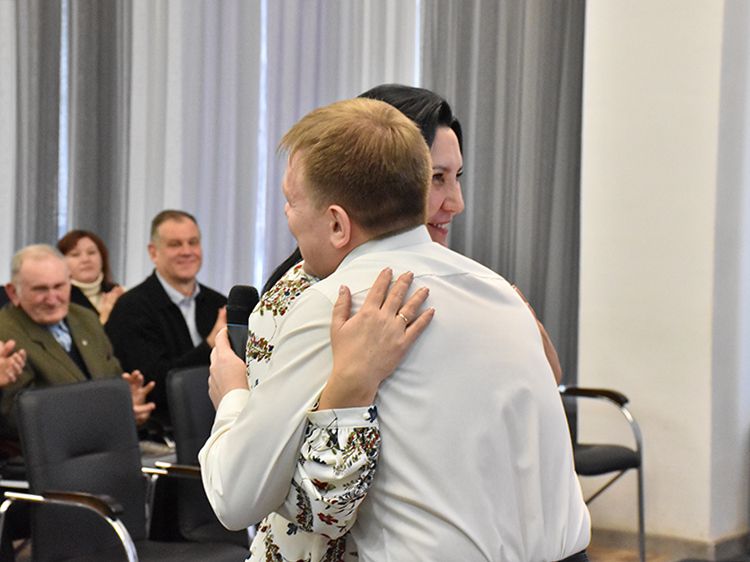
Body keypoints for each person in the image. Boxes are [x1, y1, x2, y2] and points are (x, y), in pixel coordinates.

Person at [200, 98, 590, 561]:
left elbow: (235, 497)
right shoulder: (499, 290)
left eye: (291, 201)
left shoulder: (338, 304)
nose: (288, 216)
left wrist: (232, 397)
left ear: (337, 223)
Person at [263, 84, 563, 383]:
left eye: (456, 177)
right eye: (436, 178)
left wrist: (521, 332)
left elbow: (539, 381)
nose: (457, 203)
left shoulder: (466, 286)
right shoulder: (306, 300)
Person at [0, 245, 155, 452]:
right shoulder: (5, 334)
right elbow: (16, 419)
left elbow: (112, 378)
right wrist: (110, 415)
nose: (52, 298)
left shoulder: (85, 318)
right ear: (13, 292)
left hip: (109, 447)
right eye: (40, 289)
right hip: (51, 458)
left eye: (59, 286)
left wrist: (128, 405)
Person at [105, 210, 227, 427]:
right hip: (161, 432)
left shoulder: (218, 303)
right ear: (153, 252)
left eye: (193, 242)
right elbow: (155, 383)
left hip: (218, 424)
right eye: (175, 244)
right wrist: (210, 345)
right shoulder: (131, 308)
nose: (187, 251)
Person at [57, 229, 125, 324]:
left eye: (91, 252)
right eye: (75, 255)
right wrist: (106, 314)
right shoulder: (58, 299)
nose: (85, 259)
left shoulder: (118, 293)